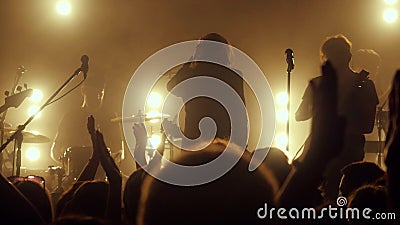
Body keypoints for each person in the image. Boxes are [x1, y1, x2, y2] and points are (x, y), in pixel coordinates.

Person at [295, 34, 379, 201]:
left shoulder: (318, 84)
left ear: (325, 58)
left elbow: (300, 115)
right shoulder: (365, 84)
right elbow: (367, 126)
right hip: (351, 149)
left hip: (321, 148)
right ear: (349, 56)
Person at [166, 33, 246, 143]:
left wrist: (189, 62)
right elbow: (240, 112)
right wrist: (241, 142)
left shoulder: (193, 74)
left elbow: (171, 87)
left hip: (194, 137)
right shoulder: (233, 75)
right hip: (223, 139)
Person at [51, 75, 122, 179]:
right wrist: (67, 165)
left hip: (102, 177)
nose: (97, 97)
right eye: (93, 93)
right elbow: (55, 150)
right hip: (74, 176)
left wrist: (108, 165)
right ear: (84, 91)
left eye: (100, 93)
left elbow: (120, 151)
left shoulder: (110, 118)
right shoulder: (71, 117)